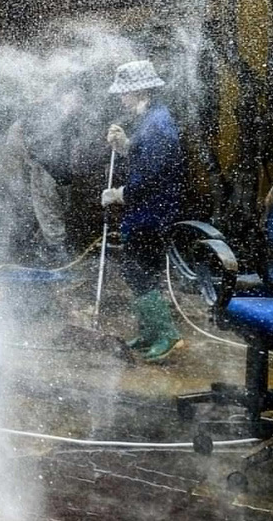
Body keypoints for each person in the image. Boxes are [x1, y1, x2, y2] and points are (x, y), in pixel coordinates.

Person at [101, 60, 186, 363]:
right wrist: (125, 145)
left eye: (125, 92)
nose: (121, 97)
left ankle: (167, 335)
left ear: (140, 90)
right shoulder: (151, 118)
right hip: (146, 211)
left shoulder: (157, 125)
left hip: (152, 212)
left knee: (141, 273)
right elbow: (145, 158)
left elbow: (151, 176)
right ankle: (149, 332)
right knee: (137, 272)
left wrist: (118, 194)